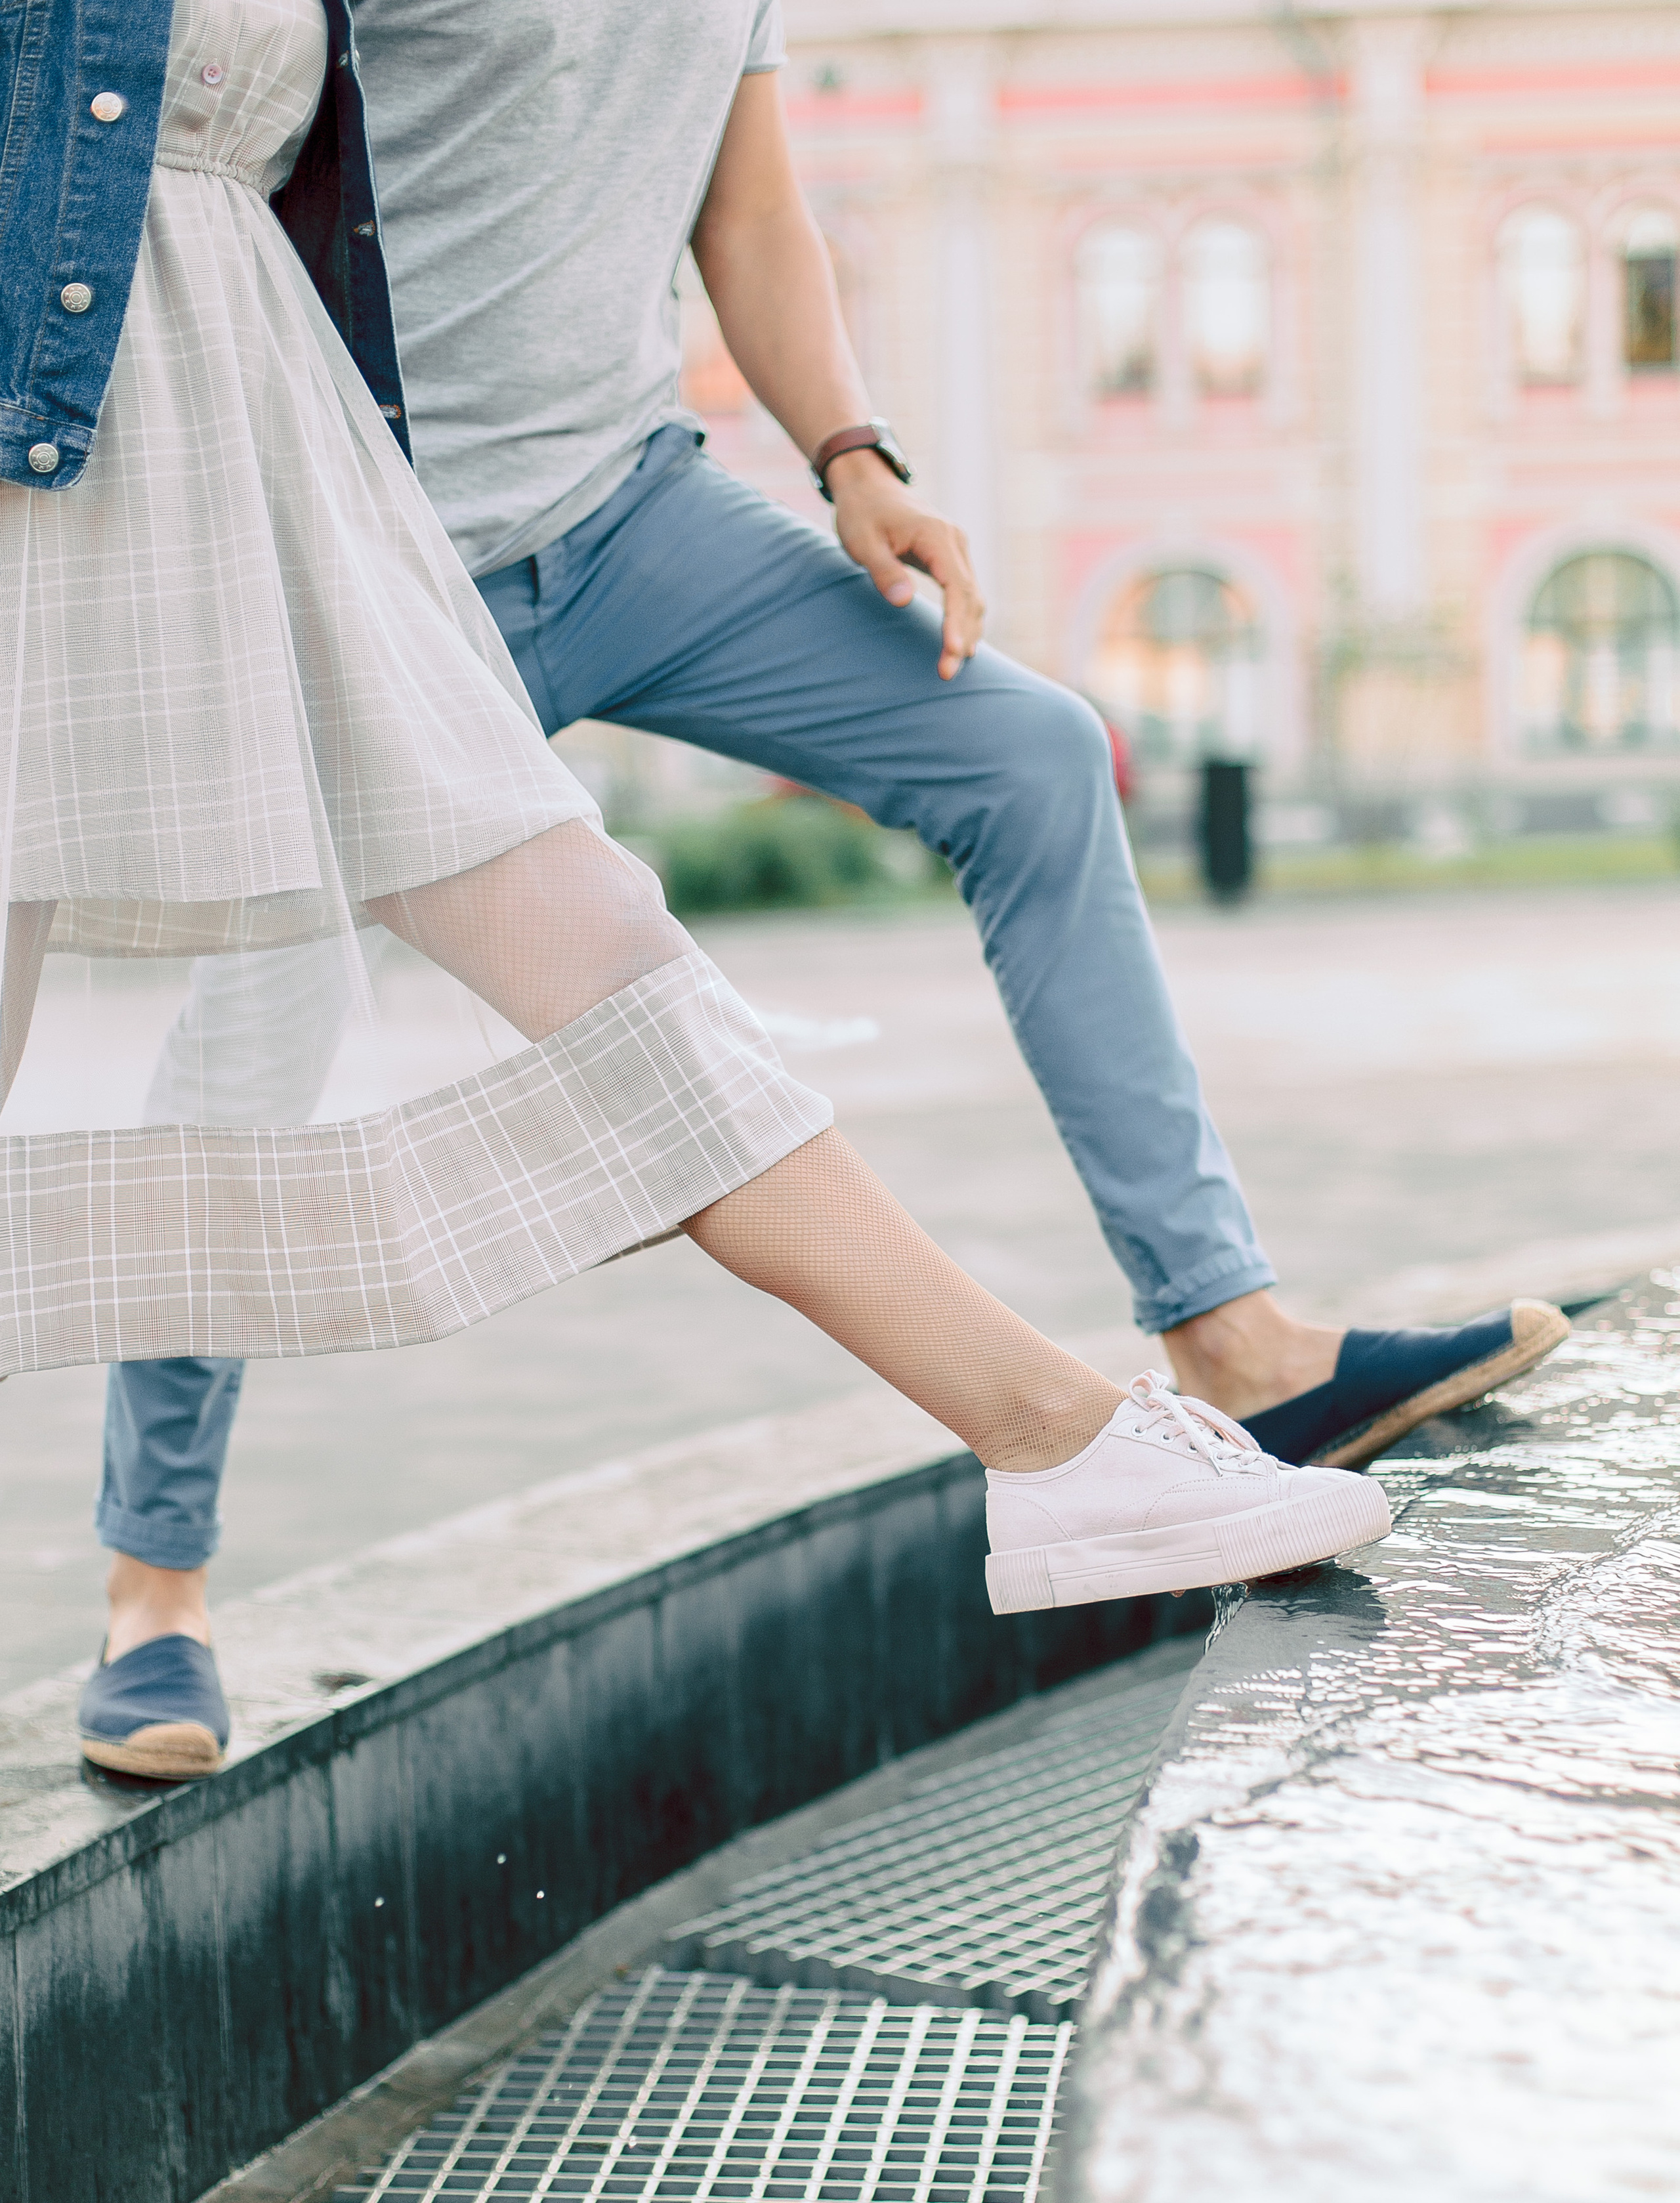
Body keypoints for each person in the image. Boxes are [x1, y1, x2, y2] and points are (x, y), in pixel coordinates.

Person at [0, 1, 1534, 1784]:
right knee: (255, 1017)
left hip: (624, 513)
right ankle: (155, 1588)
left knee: (1026, 752)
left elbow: (751, 214)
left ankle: (1230, 1339)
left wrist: (851, 453)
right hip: (347, 526)